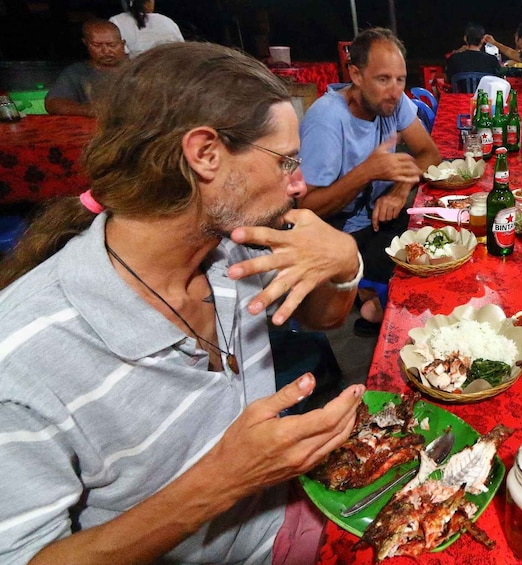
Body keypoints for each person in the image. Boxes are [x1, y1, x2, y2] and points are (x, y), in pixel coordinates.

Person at [0, 42, 366, 564]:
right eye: (285, 160)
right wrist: (223, 480)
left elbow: (325, 315)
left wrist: (344, 256)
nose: (299, 183)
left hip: (286, 517)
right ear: (205, 153)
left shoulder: (234, 244)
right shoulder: (22, 358)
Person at [298, 28, 440, 337]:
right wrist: (367, 171)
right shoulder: (326, 119)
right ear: (356, 74)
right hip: (338, 231)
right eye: (383, 79)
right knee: (421, 274)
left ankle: (374, 299)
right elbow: (305, 208)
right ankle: (372, 301)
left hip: (377, 217)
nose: (394, 91)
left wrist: (401, 189)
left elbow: (430, 153)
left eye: (400, 79)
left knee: (441, 238)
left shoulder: (393, 102)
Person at [44, 20, 126, 116]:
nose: (106, 51)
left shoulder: (139, 67)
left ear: (123, 43)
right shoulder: (76, 72)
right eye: (97, 45)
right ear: (86, 43)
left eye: (112, 45)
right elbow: (53, 103)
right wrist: (90, 110)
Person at [110, 0, 184, 58]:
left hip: (134, 71)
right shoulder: (167, 21)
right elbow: (182, 50)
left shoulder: (116, 21)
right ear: (149, 2)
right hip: (167, 70)